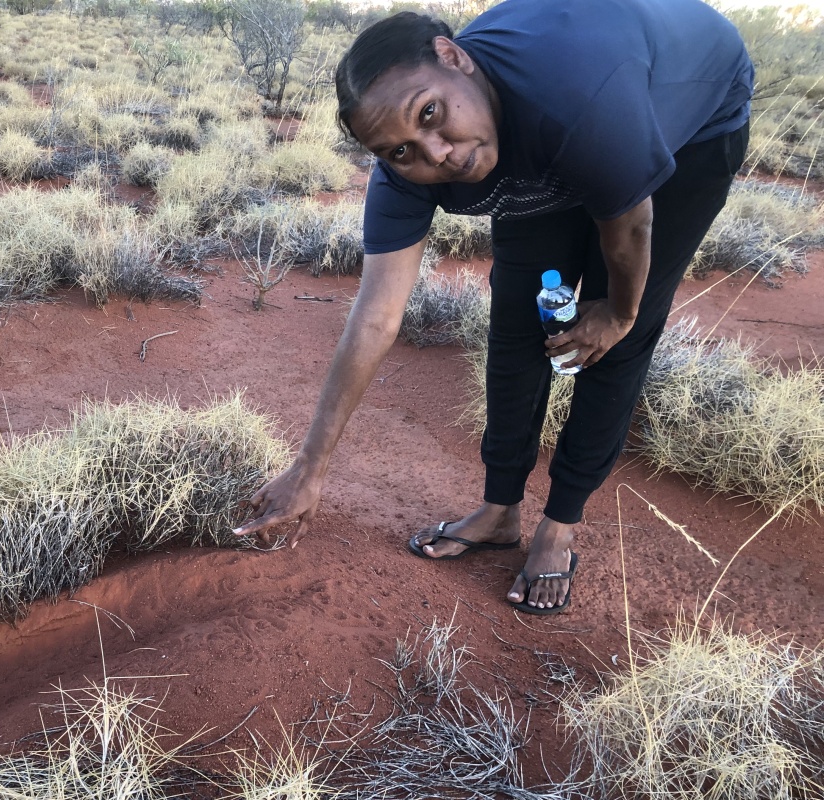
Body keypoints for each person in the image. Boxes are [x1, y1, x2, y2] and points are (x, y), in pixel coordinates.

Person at [232, 0, 753, 614]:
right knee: (521, 323)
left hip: (689, 117)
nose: (437, 154)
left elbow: (631, 226)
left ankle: (559, 525)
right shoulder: (404, 173)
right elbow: (376, 317)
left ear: (454, 57)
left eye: (431, 113)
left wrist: (617, 311)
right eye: (401, 150)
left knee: (614, 339)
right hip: (559, 135)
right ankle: (500, 509)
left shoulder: (578, 98)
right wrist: (309, 468)